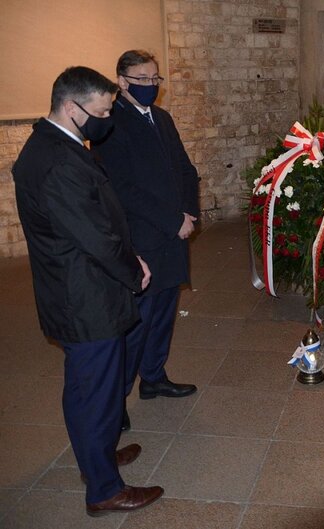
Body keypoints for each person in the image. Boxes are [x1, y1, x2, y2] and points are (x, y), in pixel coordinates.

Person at [12, 66, 164, 516]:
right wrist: (133, 272)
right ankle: (104, 489)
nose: (107, 116)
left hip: (76, 289)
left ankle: (94, 457)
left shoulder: (54, 144)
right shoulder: (58, 161)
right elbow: (94, 236)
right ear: (71, 107)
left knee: (84, 387)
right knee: (95, 393)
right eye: (101, 109)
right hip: (85, 298)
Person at [93, 50, 199, 424]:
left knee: (164, 315)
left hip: (173, 234)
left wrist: (189, 214)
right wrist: (173, 220)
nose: (151, 86)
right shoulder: (108, 125)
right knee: (136, 324)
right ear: (122, 82)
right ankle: (116, 400)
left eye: (156, 79)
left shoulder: (163, 118)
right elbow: (123, 189)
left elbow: (186, 170)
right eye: (143, 79)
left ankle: (153, 378)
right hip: (143, 237)